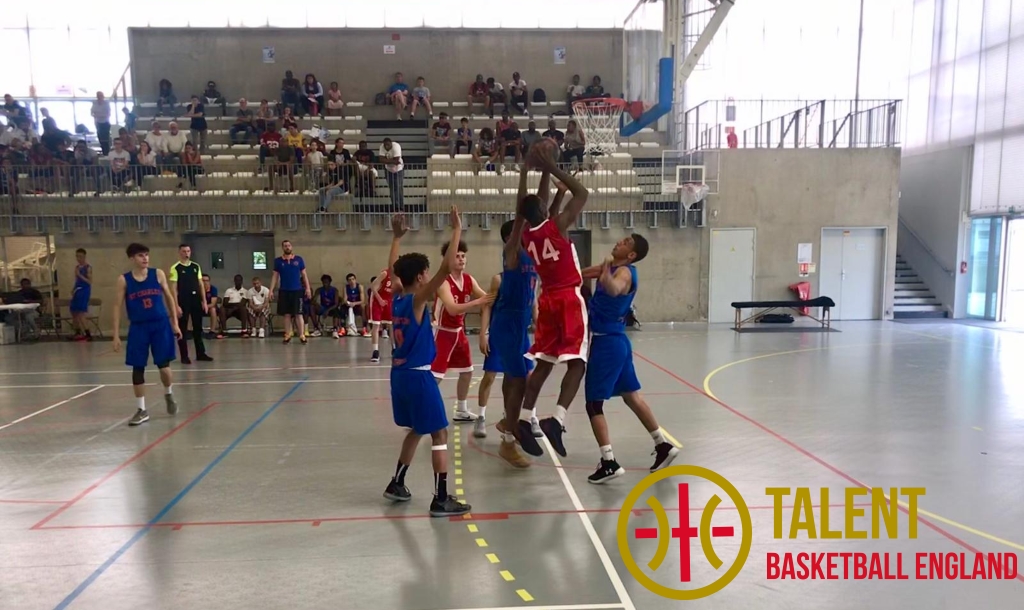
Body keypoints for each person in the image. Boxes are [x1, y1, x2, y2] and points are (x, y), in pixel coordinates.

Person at [383, 208, 471, 517]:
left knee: (416, 430)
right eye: (426, 272)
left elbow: (392, 271)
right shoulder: (418, 300)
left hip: (398, 375)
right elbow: (446, 269)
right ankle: (441, 498)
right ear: (421, 277)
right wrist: (456, 229)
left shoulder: (396, 297)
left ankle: (397, 482)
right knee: (440, 434)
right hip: (419, 377)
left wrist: (396, 237)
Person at [580, 235, 679, 483]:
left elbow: (614, 288)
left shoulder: (623, 272)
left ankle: (609, 462)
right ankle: (663, 444)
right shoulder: (611, 267)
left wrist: (604, 273)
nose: (619, 242)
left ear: (631, 255)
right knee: (631, 396)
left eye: (625, 243)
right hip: (618, 342)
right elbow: (581, 274)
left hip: (607, 344)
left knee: (593, 404)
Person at [515, 141, 591, 458]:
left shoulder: (526, 235)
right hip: (568, 299)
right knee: (578, 363)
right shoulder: (557, 226)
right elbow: (582, 193)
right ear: (546, 211)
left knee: (544, 365)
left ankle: (523, 419)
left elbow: (534, 204)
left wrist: (536, 173)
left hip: (546, 301)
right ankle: (556, 420)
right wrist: (550, 166)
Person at [475, 186, 538, 470]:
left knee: (518, 378)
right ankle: (508, 437)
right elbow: (487, 306)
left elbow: (542, 217)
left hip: (520, 328)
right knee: (518, 379)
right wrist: (483, 332)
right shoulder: (510, 257)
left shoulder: (532, 259)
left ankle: (507, 422)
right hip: (506, 326)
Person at [112, 243, 182, 427]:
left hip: (160, 325)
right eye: (140, 255)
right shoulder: (124, 280)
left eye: (146, 255)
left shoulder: (157, 274)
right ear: (132, 258)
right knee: (138, 367)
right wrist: (116, 335)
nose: (145, 258)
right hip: (138, 327)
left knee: (164, 367)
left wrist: (175, 323)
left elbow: (169, 297)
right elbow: (117, 306)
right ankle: (141, 409)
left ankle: (168, 393)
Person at [431, 240, 493, 423]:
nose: (461, 259)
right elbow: (452, 309)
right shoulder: (443, 282)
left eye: (463, 256)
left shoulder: (469, 279)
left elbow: (487, 298)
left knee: (467, 371)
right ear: (447, 259)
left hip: (458, 332)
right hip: (441, 332)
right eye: (456, 256)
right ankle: (419, 411)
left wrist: (502, 295)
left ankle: (461, 409)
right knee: (435, 376)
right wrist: (477, 302)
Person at [169, 244, 212, 363]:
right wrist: (176, 305)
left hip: (195, 299)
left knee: (198, 327)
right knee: (182, 328)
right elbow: (173, 288)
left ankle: (201, 353)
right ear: (180, 252)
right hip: (183, 300)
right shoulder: (176, 268)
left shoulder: (195, 266)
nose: (186, 253)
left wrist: (204, 301)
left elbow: (200, 284)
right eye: (184, 251)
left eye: (188, 251)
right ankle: (184, 356)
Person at [270, 240, 311, 344]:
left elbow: (304, 275)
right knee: (286, 314)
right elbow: (275, 276)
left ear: (291, 247)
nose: (287, 247)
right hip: (284, 291)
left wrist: (307, 288)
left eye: (288, 245)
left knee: (298, 314)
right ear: (282, 248)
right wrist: (271, 290)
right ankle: (287, 334)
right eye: (285, 246)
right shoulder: (278, 261)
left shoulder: (298, 259)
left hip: (297, 290)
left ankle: (302, 335)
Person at [368, 268, 395, 362]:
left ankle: (394, 349)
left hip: (389, 300)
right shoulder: (385, 273)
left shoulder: (400, 275)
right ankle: (375, 351)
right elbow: (373, 286)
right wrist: (380, 300)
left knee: (391, 325)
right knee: (376, 325)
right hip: (377, 300)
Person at [69, 248, 93, 342]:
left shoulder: (88, 267)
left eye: (80, 256)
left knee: (81, 312)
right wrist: (73, 289)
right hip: (77, 290)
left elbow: (89, 281)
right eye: (77, 256)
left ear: (84, 256)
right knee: (73, 311)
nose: (78, 258)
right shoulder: (77, 267)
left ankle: (88, 333)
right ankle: (77, 332)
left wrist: (79, 275)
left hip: (84, 290)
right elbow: (77, 280)